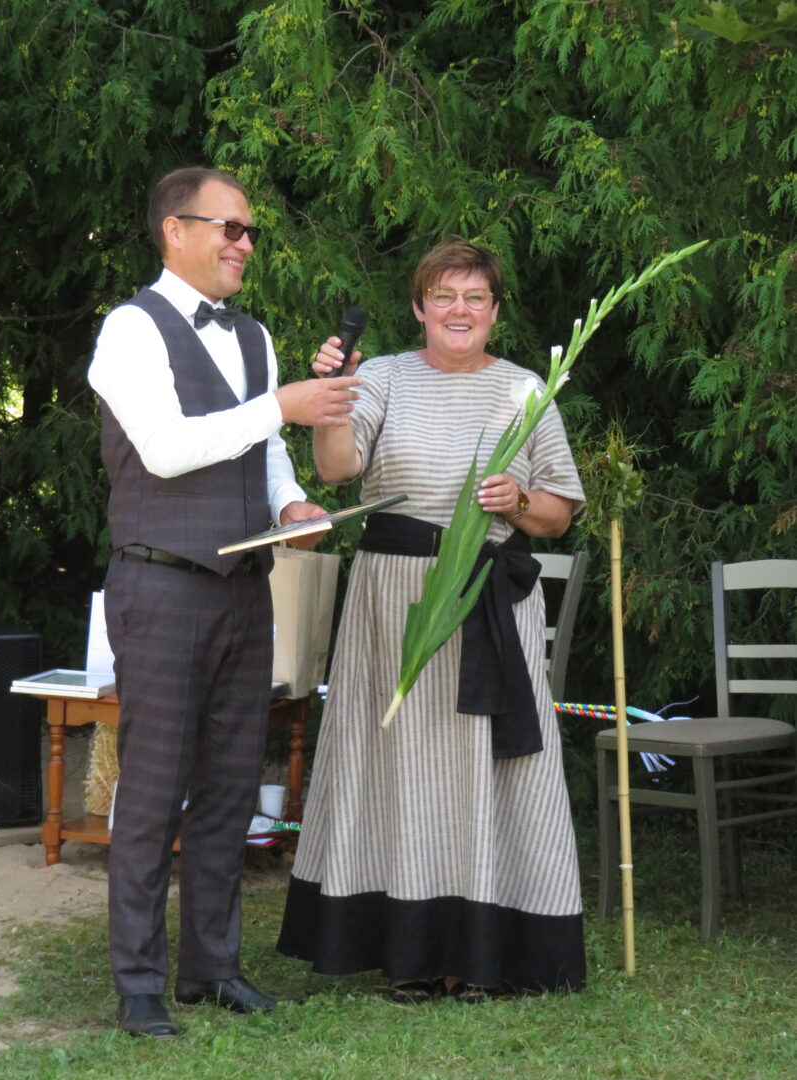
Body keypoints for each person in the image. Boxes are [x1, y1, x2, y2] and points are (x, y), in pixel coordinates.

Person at [88, 166, 361, 1037]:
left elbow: (266, 452)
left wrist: (294, 507)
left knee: (230, 787)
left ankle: (212, 969)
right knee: (153, 789)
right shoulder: (130, 329)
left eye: (249, 232)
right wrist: (279, 405)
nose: (245, 244)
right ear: (175, 229)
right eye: (230, 228)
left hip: (246, 588)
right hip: (160, 584)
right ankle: (139, 983)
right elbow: (167, 450)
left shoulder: (255, 335)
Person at [277, 238, 586, 1001]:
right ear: (419, 307)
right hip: (396, 602)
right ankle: (408, 952)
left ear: (495, 311)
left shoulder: (527, 390)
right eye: (443, 295)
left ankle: (481, 952)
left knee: (486, 771)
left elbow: (558, 513)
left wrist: (519, 500)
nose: (458, 310)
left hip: (490, 603)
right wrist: (334, 398)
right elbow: (338, 470)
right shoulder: (383, 376)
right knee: (402, 769)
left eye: (474, 297)